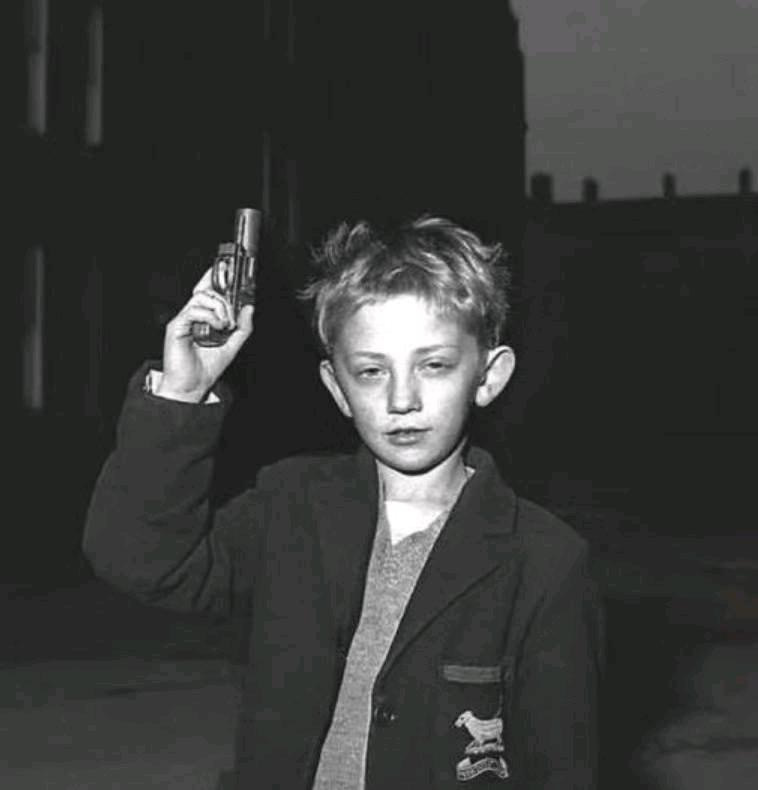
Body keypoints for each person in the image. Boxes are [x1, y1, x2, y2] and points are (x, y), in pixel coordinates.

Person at [83, 215, 604, 789]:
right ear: (337, 388)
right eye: (372, 371)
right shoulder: (291, 505)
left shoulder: (546, 561)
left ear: (488, 375)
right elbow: (138, 560)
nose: (401, 399)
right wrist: (183, 392)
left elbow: (562, 768)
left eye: (433, 365)